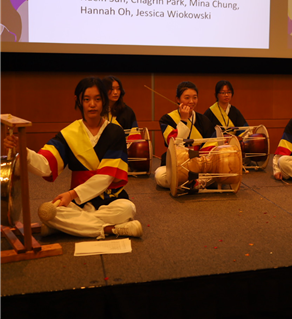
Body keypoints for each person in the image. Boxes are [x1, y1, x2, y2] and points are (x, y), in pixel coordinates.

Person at [3, 77, 142, 238]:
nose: (92, 104)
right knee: (49, 211)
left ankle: (68, 227)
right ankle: (111, 229)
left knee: (127, 208)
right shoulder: (69, 133)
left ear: (104, 101)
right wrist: (23, 149)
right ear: (79, 101)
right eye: (87, 99)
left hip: (110, 199)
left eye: (97, 99)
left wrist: (72, 194)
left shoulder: (115, 132)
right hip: (80, 203)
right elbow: (45, 165)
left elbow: (106, 177)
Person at [154, 81, 216, 190]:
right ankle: (196, 183)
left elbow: (212, 145)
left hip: (199, 164)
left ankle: (187, 184)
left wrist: (199, 162)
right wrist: (183, 120)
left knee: (221, 170)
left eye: (195, 98)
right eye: (187, 98)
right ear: (178, 99)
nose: (191, 101)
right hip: (175, 164)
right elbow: (175, 144)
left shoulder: (204, 120)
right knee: (160, 175)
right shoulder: (167, 119)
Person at [102, 76, 140, 140]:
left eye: (118, 89)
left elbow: (135, 136)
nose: (116, 92)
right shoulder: (98, 110)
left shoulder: (128, 112)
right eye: (112, 89)